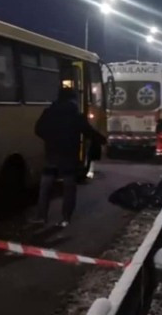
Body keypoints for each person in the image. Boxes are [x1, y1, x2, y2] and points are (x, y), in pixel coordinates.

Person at [32, 88, 106, 227]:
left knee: (45, 186)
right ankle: (65, 218)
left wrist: (50, 139)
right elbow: (88, 131)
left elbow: (38, 129)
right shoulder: (75, 115)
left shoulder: (49, 112)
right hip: (68, 155)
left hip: (52, 154)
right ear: (72, 99)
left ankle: (41, 216)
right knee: (68, 187)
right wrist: (102, 139)